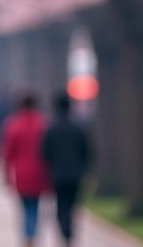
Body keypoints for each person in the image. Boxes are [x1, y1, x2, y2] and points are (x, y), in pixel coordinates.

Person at [0, 91, 51, 247]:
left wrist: (6, 175)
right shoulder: (44, 124)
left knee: (26, 207)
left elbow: (7, 153)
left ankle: (28, 235)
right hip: (40, 173)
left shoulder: (14, 125)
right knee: (34, 207)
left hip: (21, 173)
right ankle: (32, 234)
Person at [42, 91, 91, 245]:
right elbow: (87, 151)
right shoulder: (78, 127)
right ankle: (68, 232)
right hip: (75, 173)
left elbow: (45, 152)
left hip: (57, 173)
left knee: (61, 205)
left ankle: (64, 231)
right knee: (71, 205)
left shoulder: (51, 128)